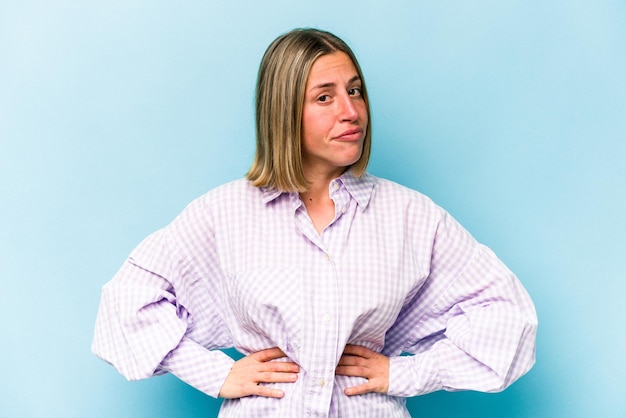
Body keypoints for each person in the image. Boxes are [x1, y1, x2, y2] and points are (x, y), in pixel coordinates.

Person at [92, 28, 537, 417]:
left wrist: (407, 373)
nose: (351, 112)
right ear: (283, 112)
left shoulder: (410, 215)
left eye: (356, 91)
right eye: (325, 97)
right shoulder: (223, 213)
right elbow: (128, 302)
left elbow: (506, 315)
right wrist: (215, 373)